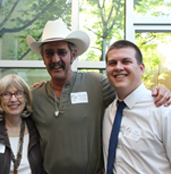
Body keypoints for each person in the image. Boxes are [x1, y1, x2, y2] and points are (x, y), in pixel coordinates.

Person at [26, 18, 171, 174]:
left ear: (73, 55)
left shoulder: (96, 84)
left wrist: (159, 90)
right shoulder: (35, 96)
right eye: (49, 53)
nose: (55, 59)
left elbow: (126, 87)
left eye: (62, 52)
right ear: (43, 57)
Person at [103, 40, 171, 174]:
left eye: (126, 61)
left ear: (141, 68)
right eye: (112, 63)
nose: (118, 67)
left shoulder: (163, 109)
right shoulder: (108, 112)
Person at [0, 74, 43, 174]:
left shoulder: (37, 127)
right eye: (6, 94)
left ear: (26, 97)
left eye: (19, 93)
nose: (13, 99)